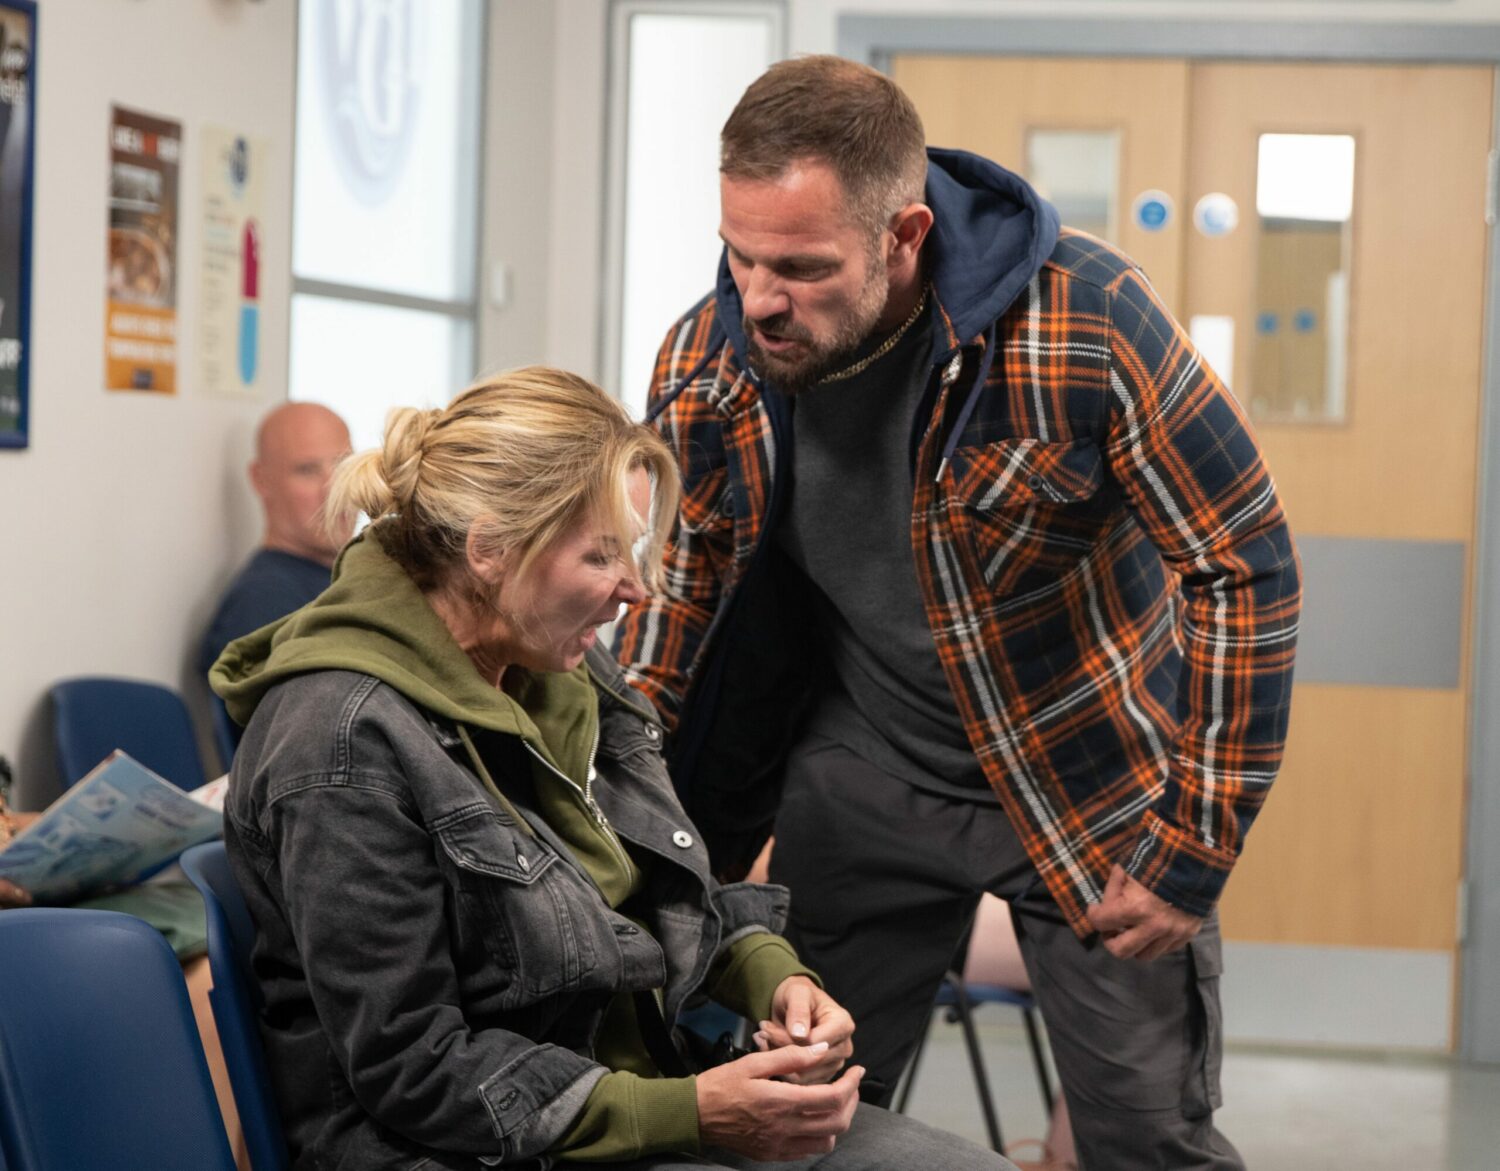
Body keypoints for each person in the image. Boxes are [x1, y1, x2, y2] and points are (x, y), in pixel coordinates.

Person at [614, 56, 1301, 1170]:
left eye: (803, 266)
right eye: (740, 255)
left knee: (1146, 1141)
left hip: (1089, 782)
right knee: (807, 1122)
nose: (759, 299)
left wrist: (1195, 842)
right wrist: (625, 807)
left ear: (905, 236)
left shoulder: (1087, 318)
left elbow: (1243, 563)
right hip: (864, 774)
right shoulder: (711, 361)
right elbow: (679, 603)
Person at [210, 367, 1020, 1171]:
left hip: (637, 1102)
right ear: (489, 550)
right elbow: (414, 1067)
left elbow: (661, 893)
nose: (635, 588)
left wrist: (777, 981)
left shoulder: (561, 669)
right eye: (601, 555)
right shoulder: (339, 740)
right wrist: (693, 1111)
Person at [197, 401, 353, 680]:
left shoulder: (347, 580)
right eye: (308, 470)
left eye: (345, 465)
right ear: (261, 480)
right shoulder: (264, 603)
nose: (335, 490)